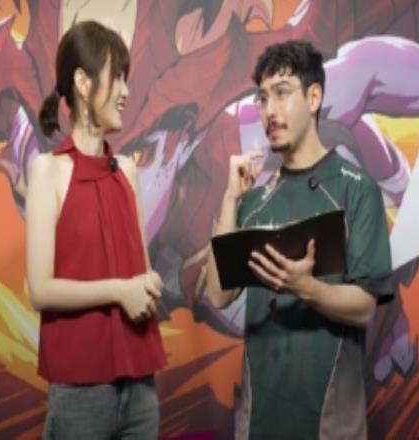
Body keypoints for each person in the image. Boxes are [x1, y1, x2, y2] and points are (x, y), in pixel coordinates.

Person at [206, 40, 393, 439]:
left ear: (313, 97)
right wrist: (229, 200)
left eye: (281, 93)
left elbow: (364, 307)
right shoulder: (252, 200)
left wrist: (305, 287)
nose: (269, 111)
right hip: (258, 426)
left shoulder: (357, 190)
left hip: (330, 428)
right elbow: (218, 296)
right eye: (262, 98)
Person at [26, 21, 166, 439]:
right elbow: (40, 290)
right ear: (84, 83)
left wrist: (148, 283)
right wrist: (120, 291)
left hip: (141, 386)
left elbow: (140, 272)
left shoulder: (127, 172)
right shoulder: (48, 170)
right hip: (80, 392)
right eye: (116, 77)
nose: (125, 91)